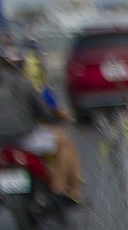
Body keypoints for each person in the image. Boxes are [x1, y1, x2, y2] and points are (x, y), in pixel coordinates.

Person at [0, 48, 82, 203]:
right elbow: (46, 112)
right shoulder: (23, 83)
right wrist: (57, 118)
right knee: (64, 142)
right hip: (25, 137)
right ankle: (60, 188)